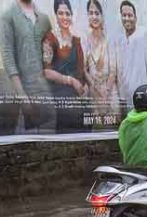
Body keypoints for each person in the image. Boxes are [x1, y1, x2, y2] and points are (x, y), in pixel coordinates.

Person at [0, 0, 55, 131]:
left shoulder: (44, 19)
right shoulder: (7, 16)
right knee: (27, 142)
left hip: (48, 94)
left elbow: (51, 56)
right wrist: (23, 97)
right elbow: (8, 58)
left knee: (52, 141)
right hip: (26, 96)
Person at [42, 0, 87, 132]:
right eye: (61, 13)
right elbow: (46, 71)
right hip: (59, 91)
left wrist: (84, 87)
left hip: (78, 91)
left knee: (86, 115)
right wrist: (71, 81)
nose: (65, 17)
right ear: (55, 15)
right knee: (70, 118)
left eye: (67, 13)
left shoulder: (76, 40)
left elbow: (81, 69)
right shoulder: (50, 39)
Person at [84, 0, 120, 116]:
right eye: (91, 13)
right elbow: (84, 69)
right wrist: (95, 87)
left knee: (113, 125)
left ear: (102, 16)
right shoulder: (85, 40)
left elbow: (113, 69)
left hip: (109, 91)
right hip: (94, 90)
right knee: (97, 126)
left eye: (97, 13)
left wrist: (106, 91)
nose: (94, 16)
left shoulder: (109, 40)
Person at [117, 1, 147, 110]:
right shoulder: (120, 40)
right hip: (128, 97)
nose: (127, 18)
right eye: (124, 15)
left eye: (130, 15)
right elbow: (120, 71)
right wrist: (122, 97)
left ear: (135, 18)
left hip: (143, 96)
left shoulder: (143, 35)